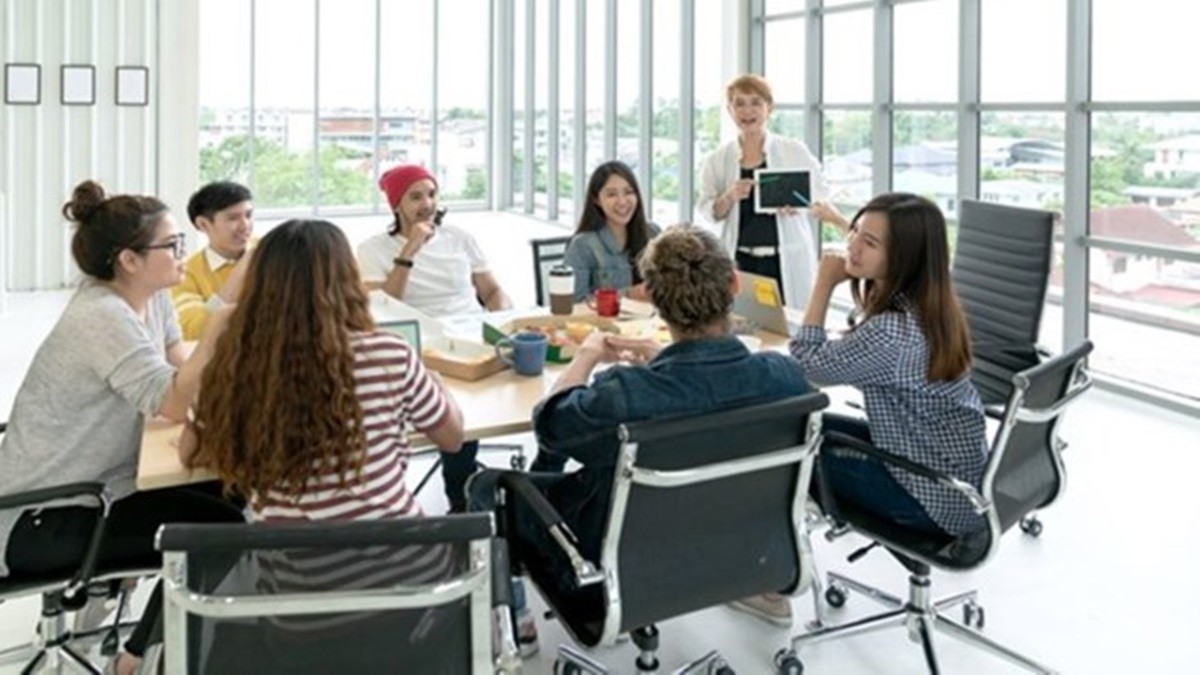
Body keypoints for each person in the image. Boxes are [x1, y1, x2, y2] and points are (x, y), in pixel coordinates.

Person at [469, 224, 814, 630]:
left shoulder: (625, 395)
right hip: (739, 552)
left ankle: (508, 625)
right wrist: (667, 359)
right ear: (734, 284)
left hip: (627, 565)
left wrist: (585, 357)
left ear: (650, 295)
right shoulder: (785, 376)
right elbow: (708, 388)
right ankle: (758, 592)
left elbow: (551, 426)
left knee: (486, 485)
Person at [177, 219, 467, 669]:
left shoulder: (238, 367)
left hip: (300, 611)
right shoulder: (389, 353)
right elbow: (452, 438)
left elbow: (189, 453)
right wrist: (434, 386)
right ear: (347, 281)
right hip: (415, 594)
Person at [0, 180, 245, 675]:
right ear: (129, 260)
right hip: (44, 516)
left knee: (232, 492)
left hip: (97, 490)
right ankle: (135, 659)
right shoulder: (102, 317)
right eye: (171, 244)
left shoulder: (151, 297)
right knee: (223, 534)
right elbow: (171, 401)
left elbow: (177, 361)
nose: (182, 253)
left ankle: (151, 642)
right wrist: (217, 328)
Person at [789, 193, 988, 539]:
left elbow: (804, 369)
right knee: (798, 426)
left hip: (930, 499)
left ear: (904, 257)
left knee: (784, 449)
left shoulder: (892, 331)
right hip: (953, 479)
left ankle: (776, 561)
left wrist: (823, 283)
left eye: (869, 243)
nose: (852, 247)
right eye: (854, 232)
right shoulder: (931, 306)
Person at [357, 165, 511, 513]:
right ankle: (460, 498)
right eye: (415, 197)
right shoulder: (373, 249)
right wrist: (409, 250)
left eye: (431, 194)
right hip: (417, 348)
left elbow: (492, 291)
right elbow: (382, 307)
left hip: (470, 340)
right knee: (459, 410)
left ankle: (478, 487)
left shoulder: (460, 238)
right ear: (396, 205)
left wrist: (501, 318)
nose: (427, 204)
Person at [698, 74, 831, 309]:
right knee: (743, 320)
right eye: (739, 103)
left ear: (769, 108)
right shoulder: (718, 159)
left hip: (784, 257)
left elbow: (820, 193)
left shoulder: (793, 151)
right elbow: (709, 212)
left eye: (756, 103)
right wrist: (729, 196)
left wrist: (797, 204)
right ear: (729, 110)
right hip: (741, 259)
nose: (747, 111)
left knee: (790, 320)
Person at [563, 160, 661, 301]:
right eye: (611, 194)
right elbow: (575, 303)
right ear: (596, 199)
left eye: (628, 192)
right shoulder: (582, 245)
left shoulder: (653, 233)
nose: (622, 201)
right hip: (605, 317)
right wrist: (628, 295)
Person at [171, 181, 255, 340]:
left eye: (248, 215)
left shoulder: (270, 250)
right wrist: (243, 267)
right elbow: (194, 331)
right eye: (233, 218)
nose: (245, 226)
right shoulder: (186, 273)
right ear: (203, 224)